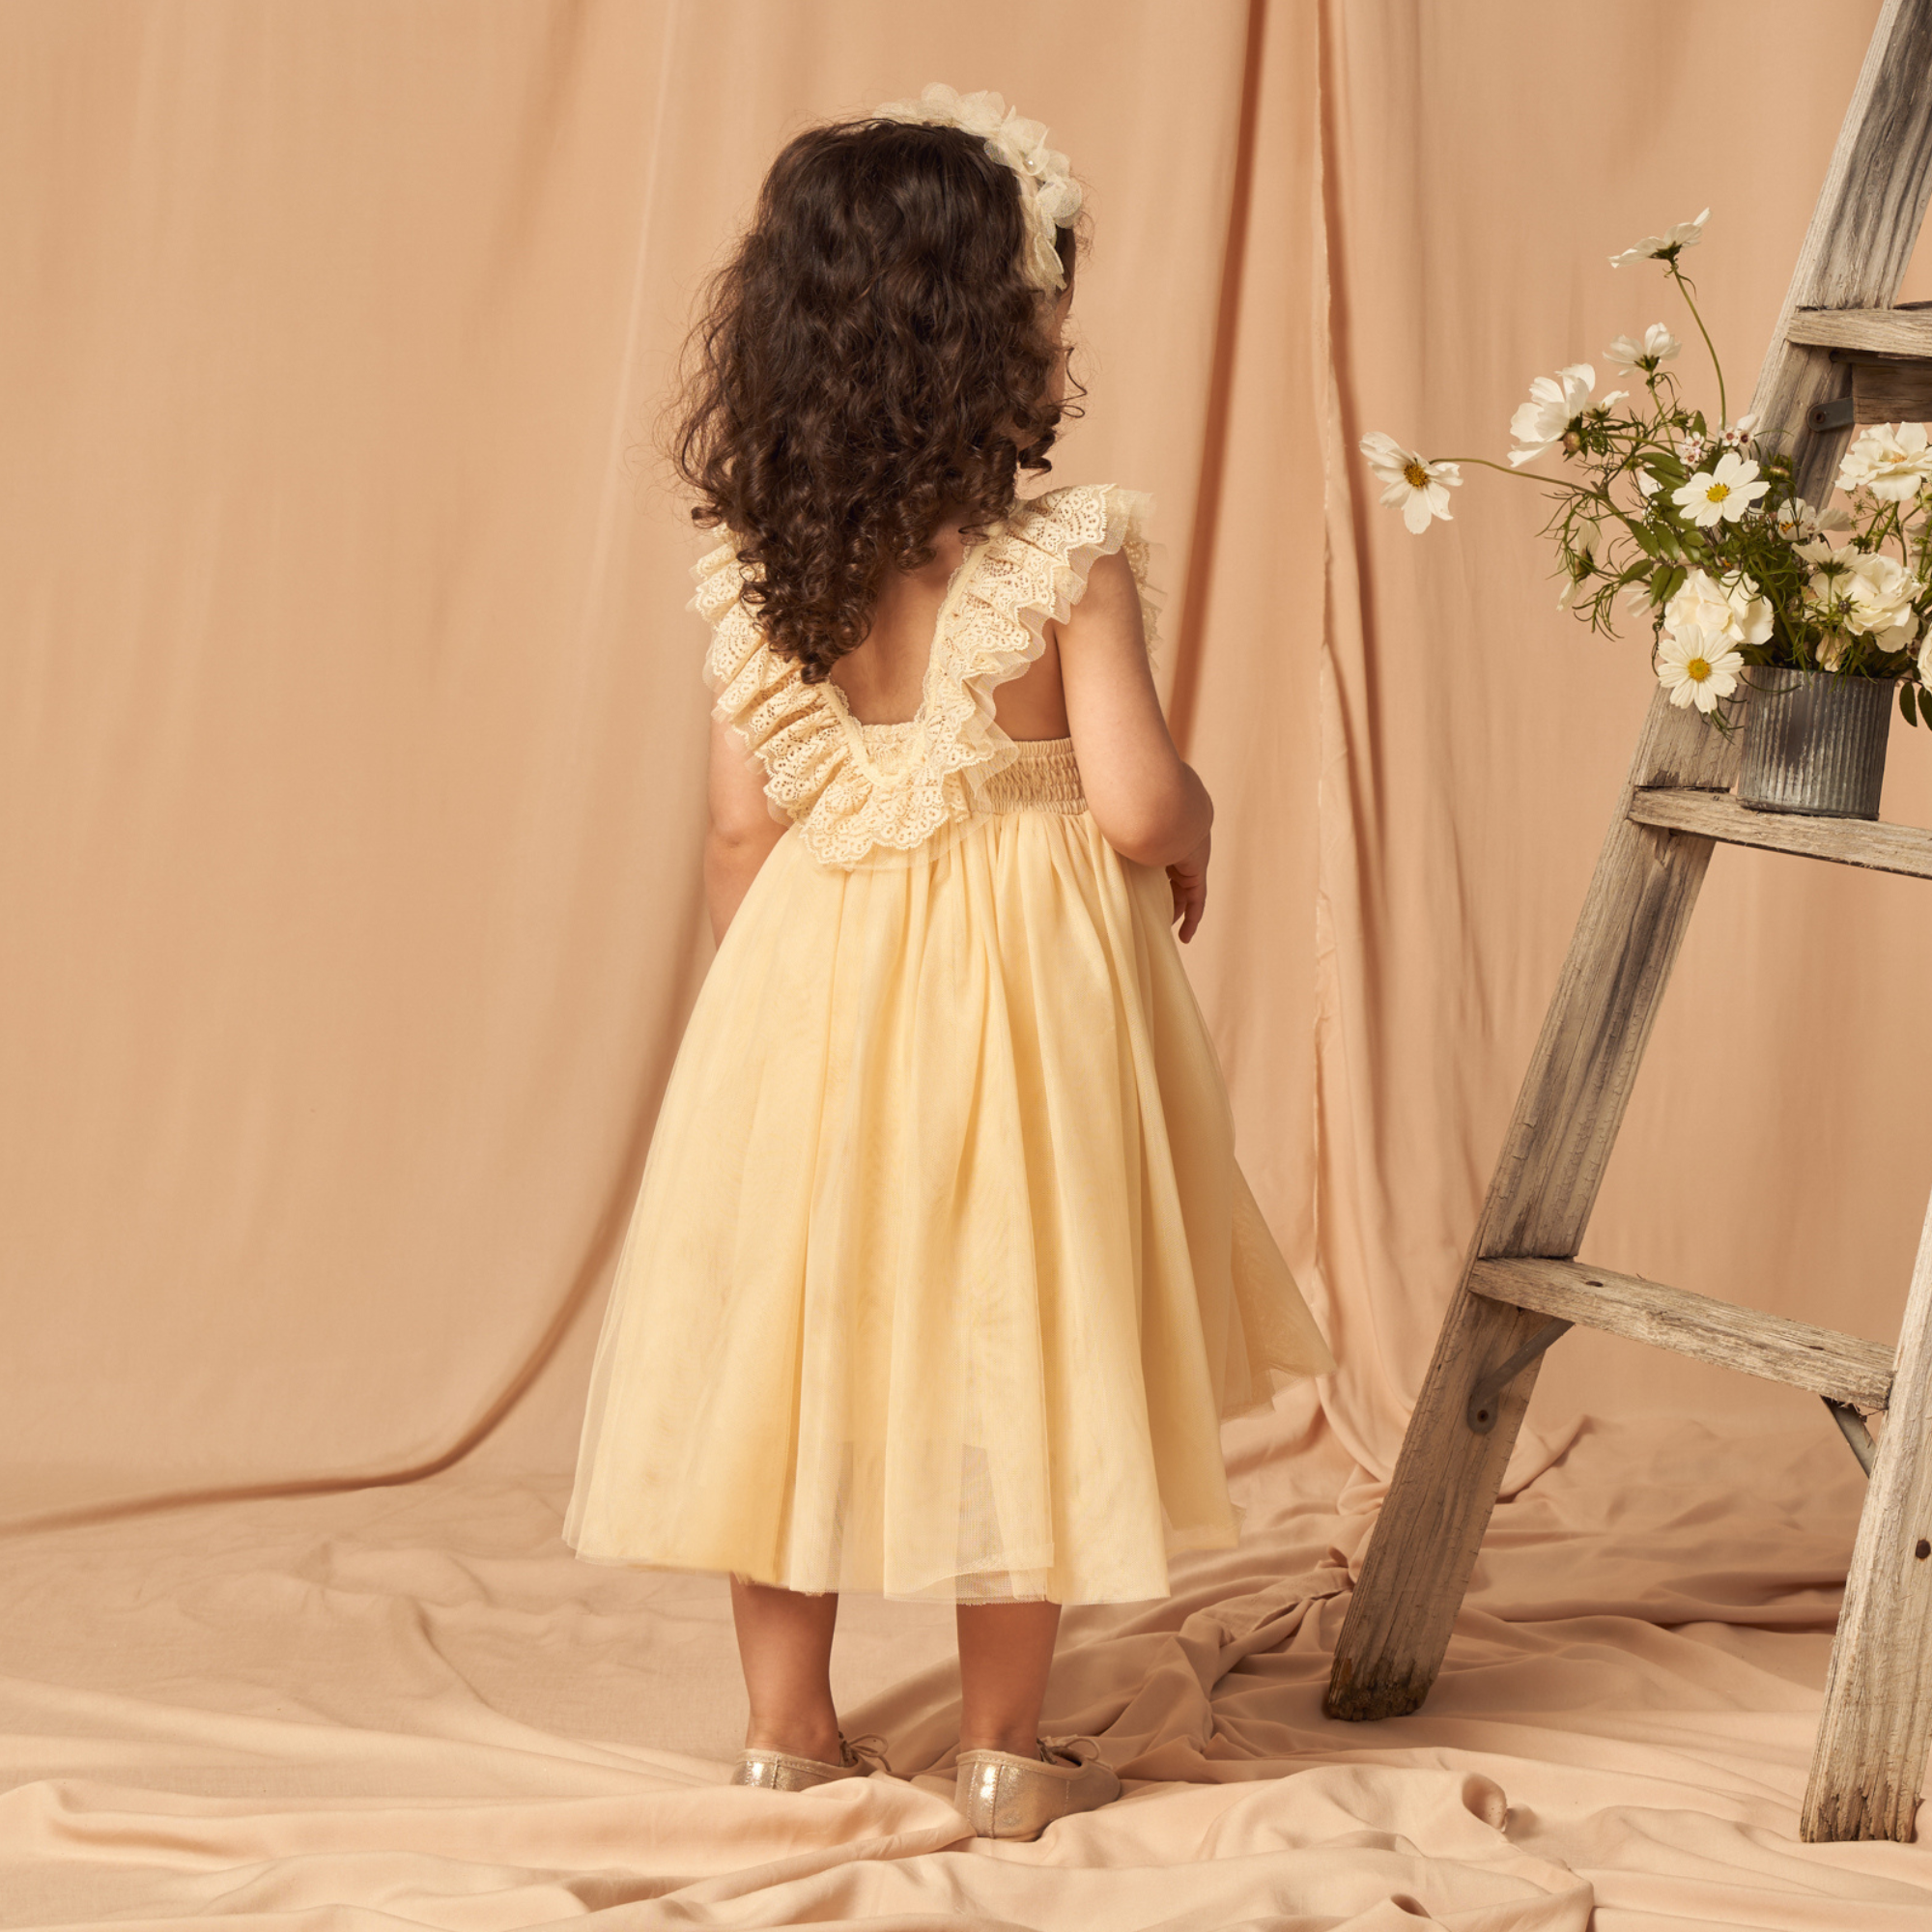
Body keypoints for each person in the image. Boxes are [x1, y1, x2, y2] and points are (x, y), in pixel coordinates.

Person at [563, 82, 1335, 1842]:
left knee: (796, 1338)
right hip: (1022, 1006)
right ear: (989, 335)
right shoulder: (1067, 556)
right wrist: (1198, 818)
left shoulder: (763, 570)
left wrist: (769, 1009)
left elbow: (741, 834)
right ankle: (1003, 1746)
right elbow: (1135, 804)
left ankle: (784, 1733)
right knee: (1021, 1327)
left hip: (809, 982)